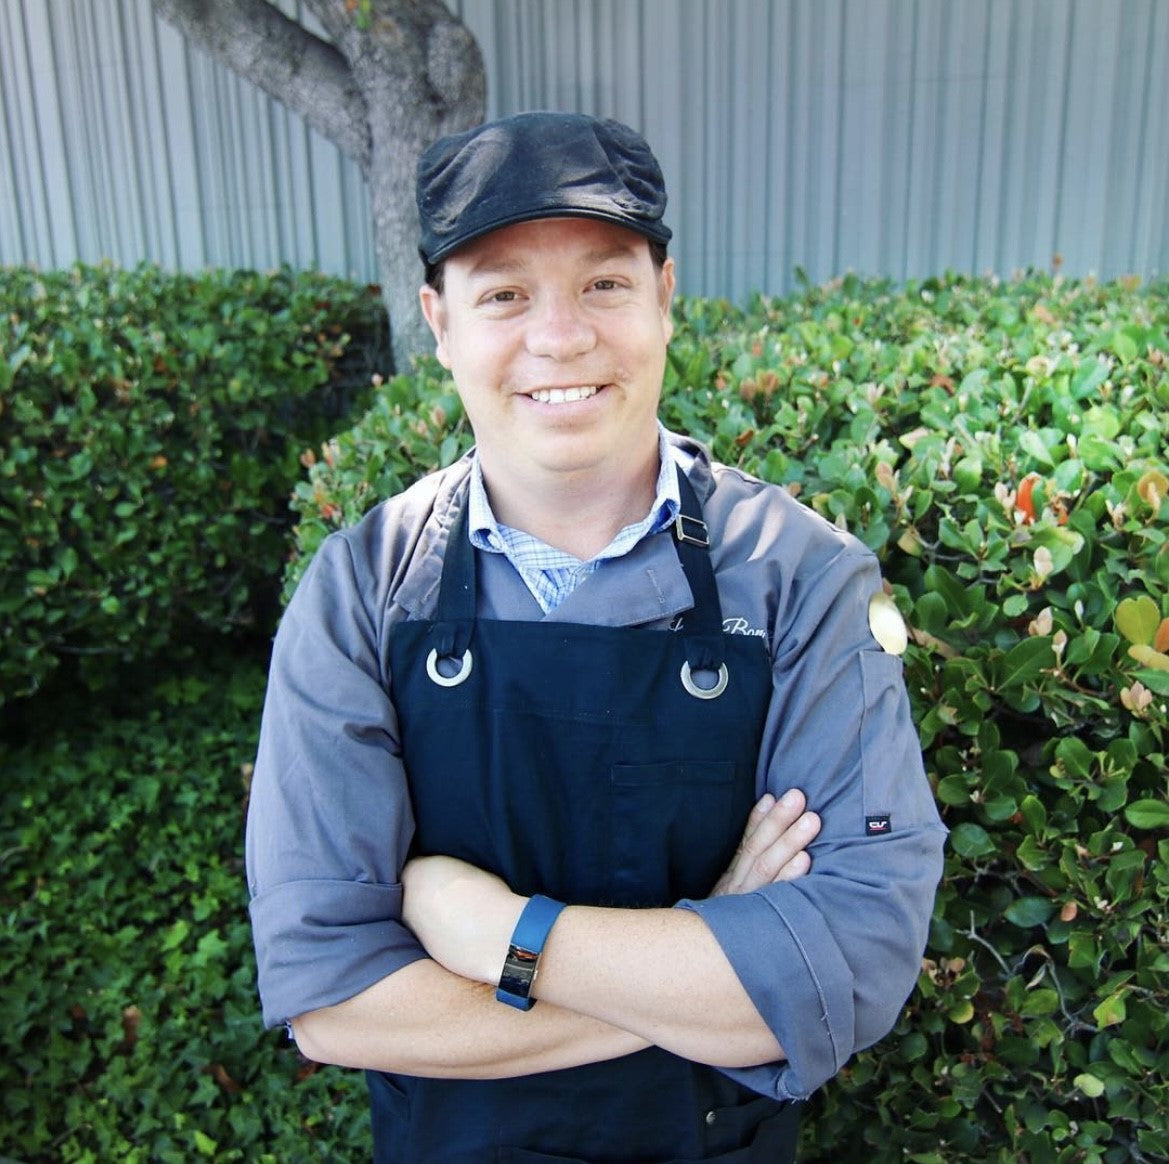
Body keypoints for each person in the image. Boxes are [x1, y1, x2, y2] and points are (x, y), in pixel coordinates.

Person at [245, 111, 946, 1163]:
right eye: (503, 295)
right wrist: (720, 941)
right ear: (438, 323)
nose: (559, 337)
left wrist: (504, 940)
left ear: (664, 297)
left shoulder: (800, 577)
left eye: (603, 284)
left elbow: (849, 967)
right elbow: (336, 1004)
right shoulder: (364, 589)